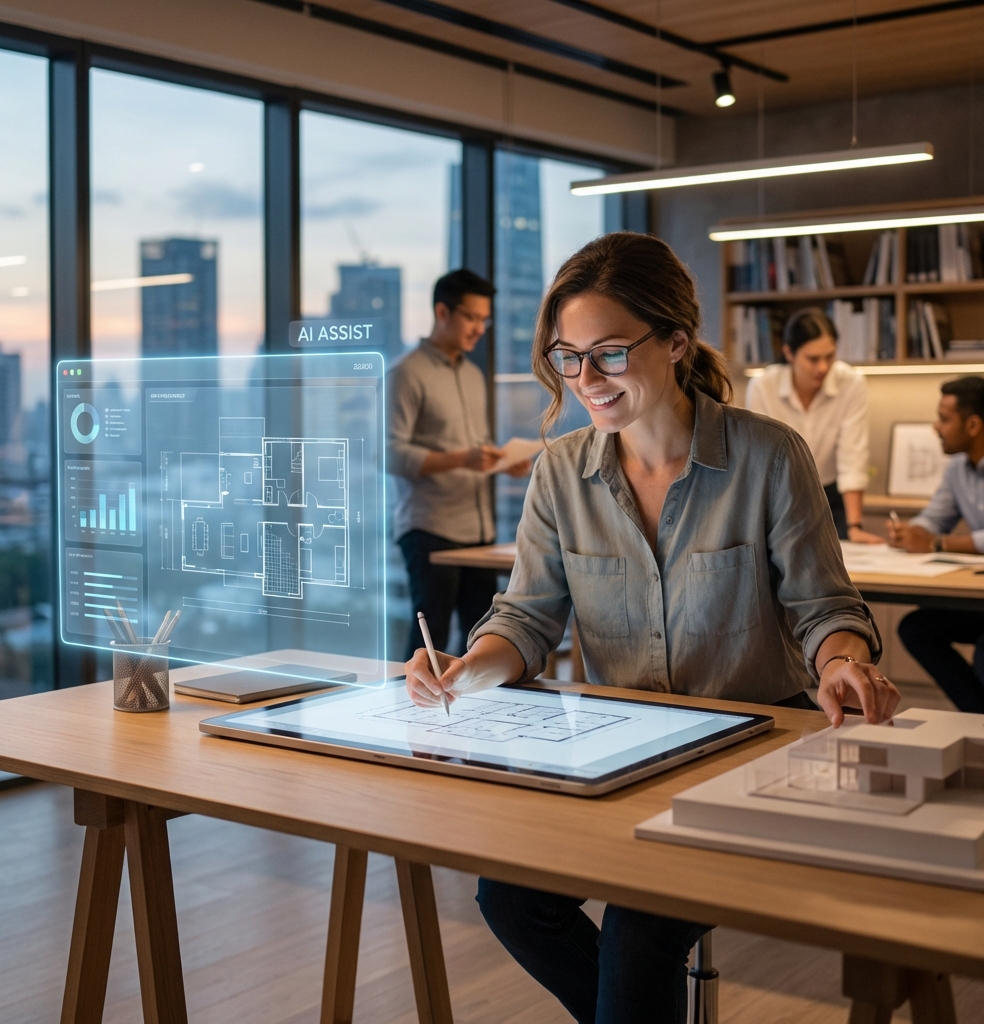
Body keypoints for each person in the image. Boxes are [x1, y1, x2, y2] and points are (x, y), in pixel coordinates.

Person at [404, 233, 899, 1024]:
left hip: (749, 749)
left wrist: (841, 661)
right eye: (568, 357)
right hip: (619, 751)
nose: (585, 380)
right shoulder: (561, 471)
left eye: (608, 353)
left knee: (638, 933)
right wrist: (467, 670)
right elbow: (526, 618)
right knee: (510, 898)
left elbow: (824, 609)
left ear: (675, 341)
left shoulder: (770, 456)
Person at [388, 268, 531, 659]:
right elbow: (389, 453)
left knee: (482, 636)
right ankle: (407, 699)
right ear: (442, 312)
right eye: (471, 317)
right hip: (430, 528)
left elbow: (473, 449)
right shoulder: (405, 374)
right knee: (430, 639)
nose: (479, 328)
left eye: (485, 319)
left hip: (477, 529)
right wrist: (463, 458)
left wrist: (501, 461)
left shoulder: (472, 374)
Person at [745, 307, 881, 544]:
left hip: (830, 496)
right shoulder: (763, 387)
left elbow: (853, 456)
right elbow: (758, 458)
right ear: (789, 353)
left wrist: (854, 527)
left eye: (830, 356)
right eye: (813, 359)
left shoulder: (851, 383)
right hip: (780, 496)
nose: (823, 368)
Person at [891, 376, 984, 712]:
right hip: (978, 599)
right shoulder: (958, 468)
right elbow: (935, 517)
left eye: (944, 419)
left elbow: (938, 539)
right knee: (916, 628)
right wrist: (911, 532)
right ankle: (977, 716)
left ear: (973, 425)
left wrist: (939, 544)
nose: (936, 427)